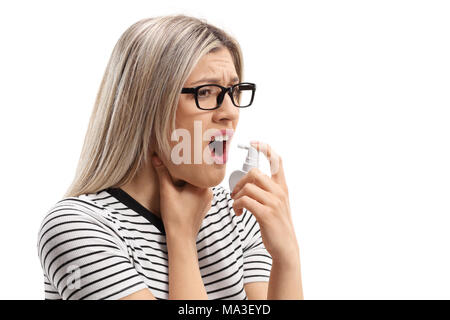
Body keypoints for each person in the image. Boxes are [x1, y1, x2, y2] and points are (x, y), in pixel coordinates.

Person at [36, 14, 303, 300]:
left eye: (233, 91)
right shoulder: (78, 227)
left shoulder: (238, 217)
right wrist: (181, 242)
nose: (231, 112)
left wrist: (286, 256)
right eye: (206, 92)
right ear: (146, 108)